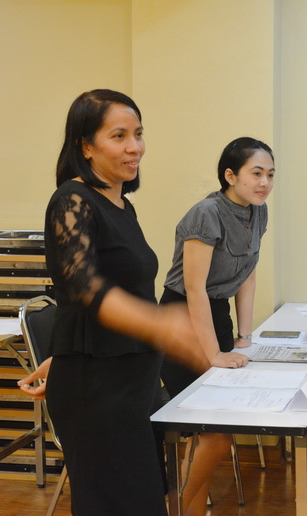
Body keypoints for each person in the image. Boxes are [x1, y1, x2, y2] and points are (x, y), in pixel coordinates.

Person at [17, 89, 209, 515]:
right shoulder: (71, 199)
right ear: (86, 146)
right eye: (118, 136)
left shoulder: (121, 205)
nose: (134, 146)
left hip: (130, 379)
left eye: (138, 134)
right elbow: (82, 285)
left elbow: (104, 293)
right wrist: (162, 325)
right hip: (99, 392)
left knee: (142, 502)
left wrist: (64, 354)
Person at [159, 137, 275, 514]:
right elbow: (194, 289)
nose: (264, 182)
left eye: (270, 175)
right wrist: (213, 355)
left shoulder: (258, 212)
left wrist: (245, 338)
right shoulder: (206, 213)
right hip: (182, 319)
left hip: (216, 316)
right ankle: (173, 507)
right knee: (212, 432)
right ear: (230, 175)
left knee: (214, 432)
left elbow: (248, 275)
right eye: (256, 173)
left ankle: (187, 509)